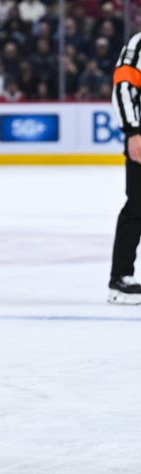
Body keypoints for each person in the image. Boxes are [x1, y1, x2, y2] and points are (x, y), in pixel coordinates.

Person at [108, 32, 141, 304]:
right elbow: (123, 87)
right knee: (138, 206)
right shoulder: (139, 44)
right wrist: (133, 131)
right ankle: (120, 279)